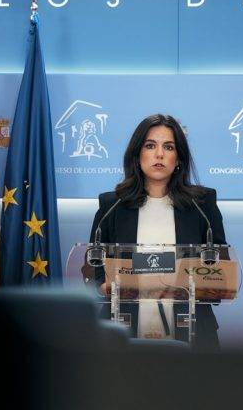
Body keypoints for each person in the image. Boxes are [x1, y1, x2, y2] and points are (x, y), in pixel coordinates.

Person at [89, 114, 226, 350]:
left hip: (191, 332)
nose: (159, 154)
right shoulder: (112, 205)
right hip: (122, 333)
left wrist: (209, 283)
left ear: (179, 158)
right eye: (150, 145)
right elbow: (92, 267)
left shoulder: (201, 205)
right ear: (137, 155)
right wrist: (102, 285)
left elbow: (220, 268)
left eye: (168, 147)